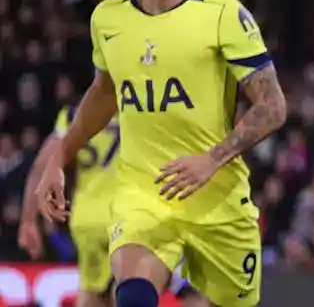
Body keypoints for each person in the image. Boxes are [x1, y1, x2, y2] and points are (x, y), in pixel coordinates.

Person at [35, 0, 287, 307]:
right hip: (143, 192)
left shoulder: (224, 13)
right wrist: (59, 157)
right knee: (132, 291)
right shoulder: (109, 19)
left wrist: (211, 159)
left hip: (217, 199)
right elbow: (104, 92)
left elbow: (273, 106)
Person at [19, 109, 209, 307]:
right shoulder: (145, 105)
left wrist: (28, 220)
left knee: (94, 296)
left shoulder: (75, 113)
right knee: (189, 291)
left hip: (87, 222)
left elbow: (42, 165)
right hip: (133, 215)